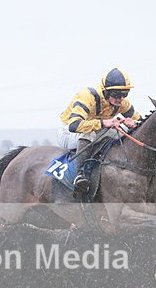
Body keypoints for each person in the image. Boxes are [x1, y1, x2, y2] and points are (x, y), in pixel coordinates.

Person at [58, 67, 142, 196]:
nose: (120, 99)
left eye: (125, 94)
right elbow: (74, 125)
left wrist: (133, 123)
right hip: (69, 133)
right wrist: (103, 123)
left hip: (95, 130)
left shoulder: (122, 103)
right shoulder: (87, 97)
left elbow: (140, 121)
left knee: (124, 131)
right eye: (116, 95)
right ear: (106, 91)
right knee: (90, 133)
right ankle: (80, 175)